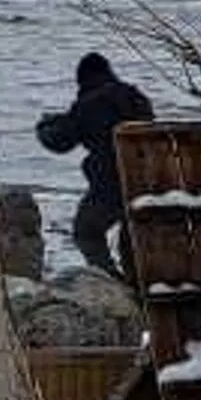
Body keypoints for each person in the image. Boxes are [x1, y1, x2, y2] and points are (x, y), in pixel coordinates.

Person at [36, 52, 156, 279]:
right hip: (149, 181)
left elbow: (61, 141)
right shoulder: (136, 98)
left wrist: (43, 127)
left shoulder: (89, 103)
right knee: (132, 233)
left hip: (110, 185)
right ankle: (137, 282)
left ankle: (110, 280)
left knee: (86, 231)